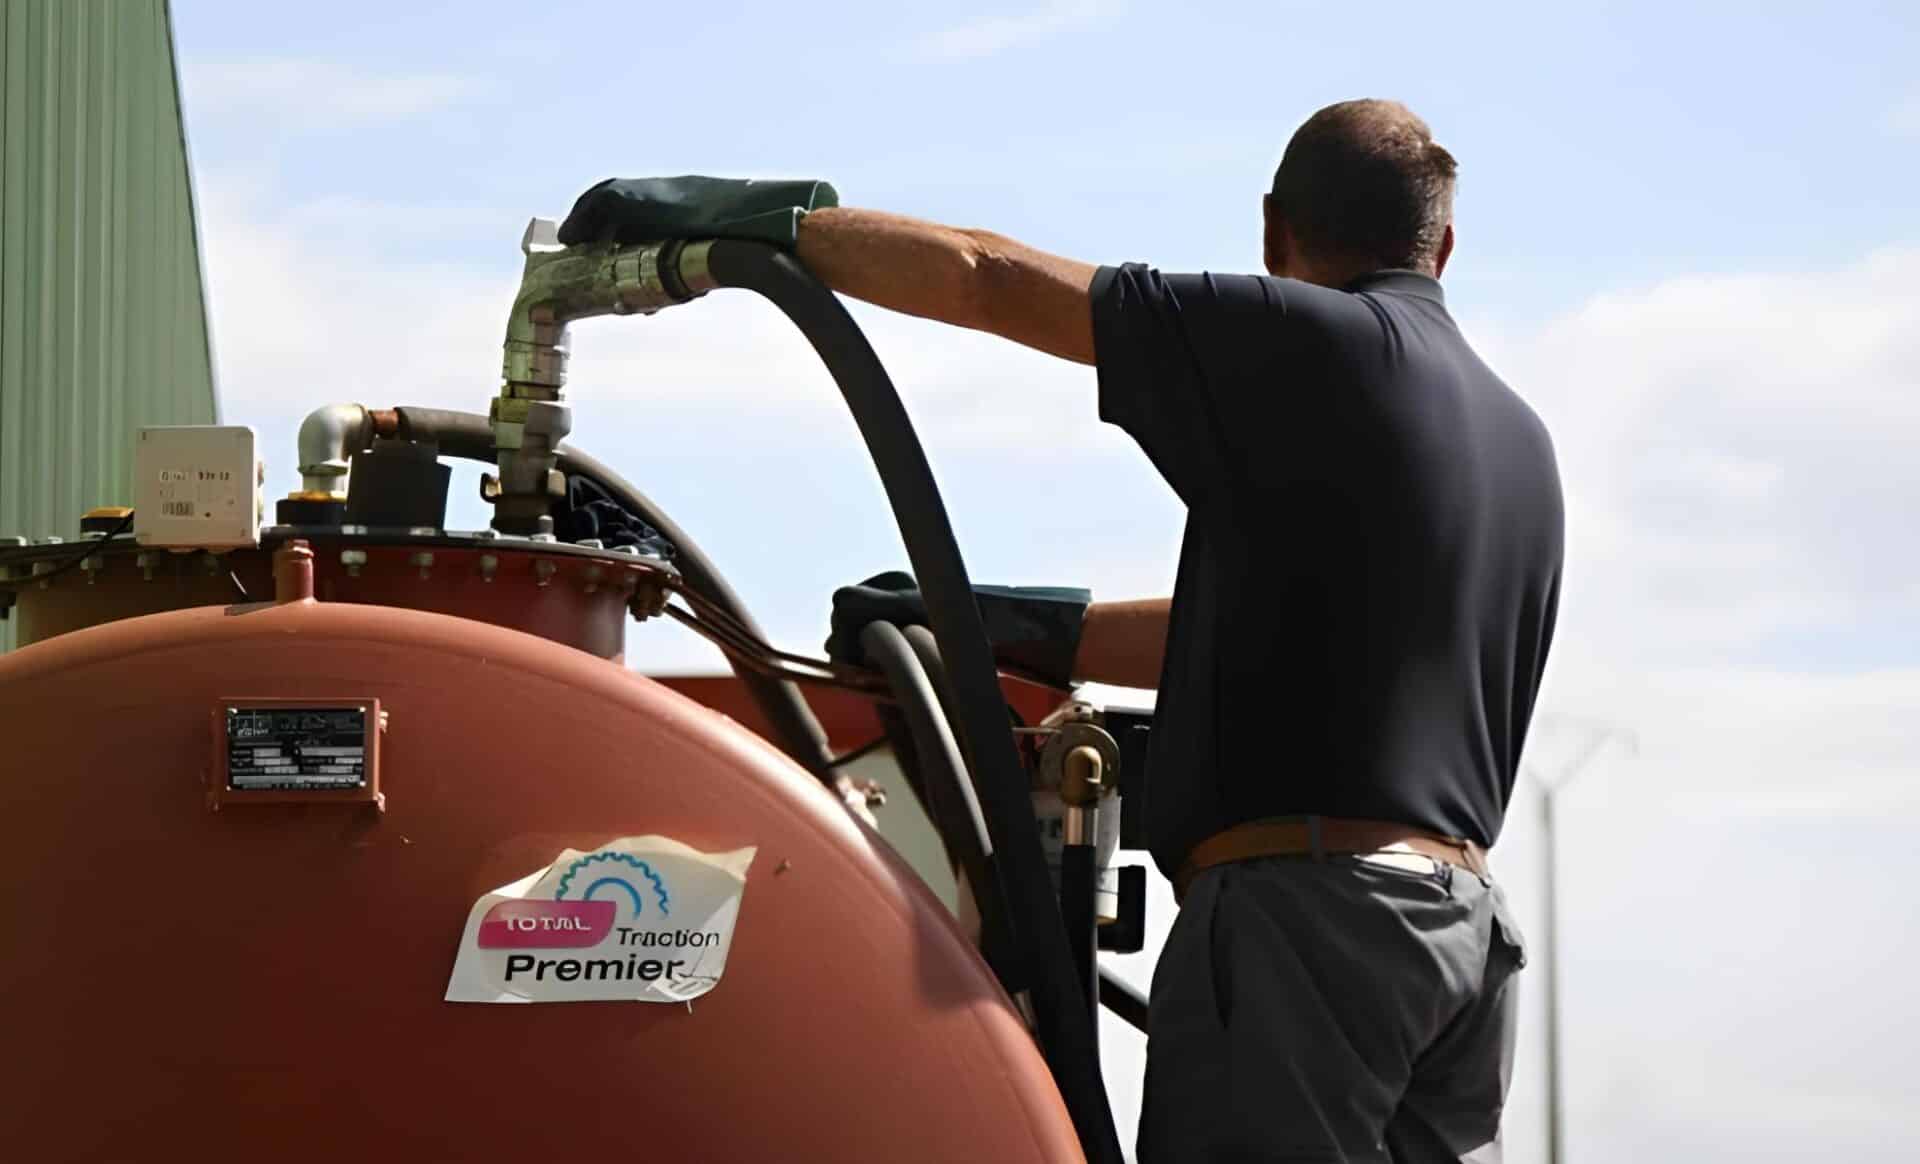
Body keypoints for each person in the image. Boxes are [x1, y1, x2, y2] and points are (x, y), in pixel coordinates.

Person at [560, 97, 1562, 1164]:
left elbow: (984, 275)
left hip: (1305, 929)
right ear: (1443, 244)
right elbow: (1282, 637)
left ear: (1273, 232)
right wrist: (1024, 627)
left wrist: (762, 227)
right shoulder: (1520, 441)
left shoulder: (1317, 344)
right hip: (1461, 939)